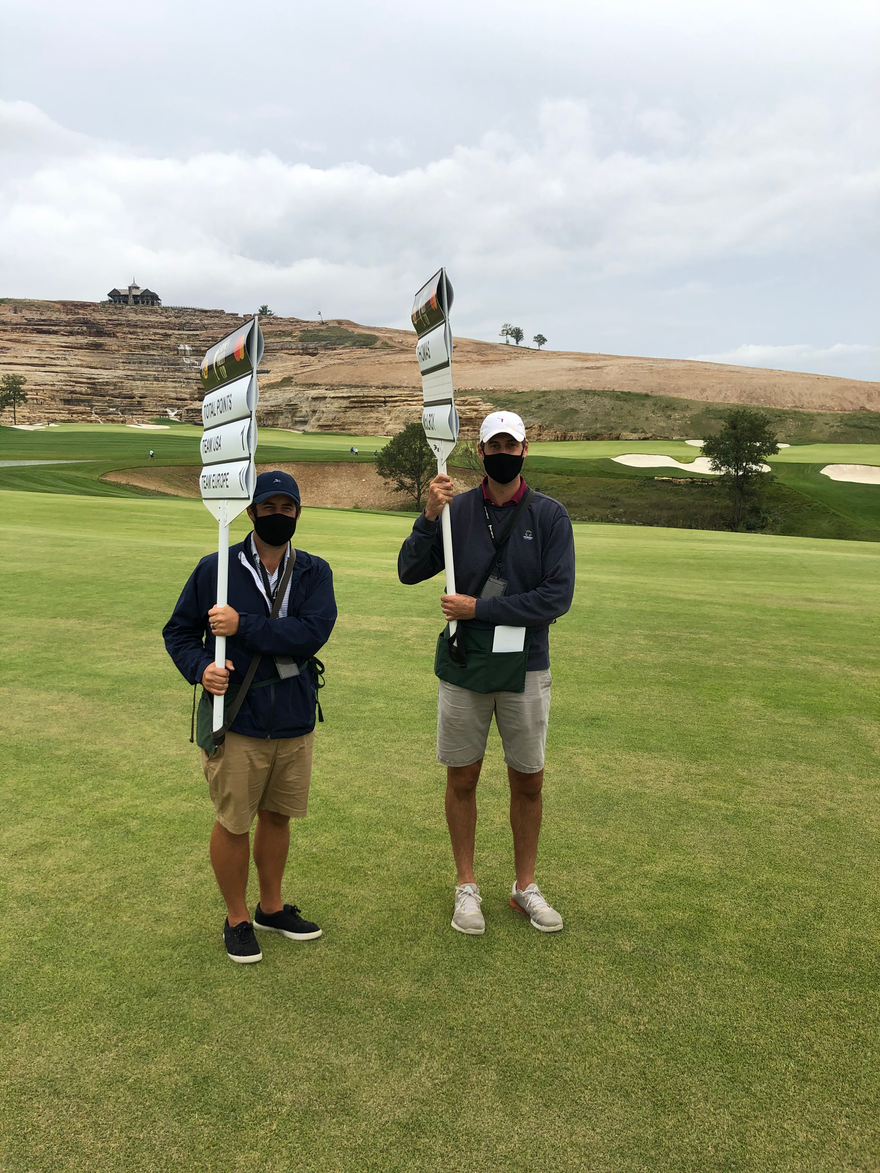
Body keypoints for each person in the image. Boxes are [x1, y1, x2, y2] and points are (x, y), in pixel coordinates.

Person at [398, 412, 575, 936]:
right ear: (480, 452)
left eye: (510, 444)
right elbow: (410, 570)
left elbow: (555, 597)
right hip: (463, 663)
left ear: (525, 450)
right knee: (464, 776)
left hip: (526, 666)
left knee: (528, 779)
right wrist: (428, 515)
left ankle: (525, 886)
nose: (501, 452)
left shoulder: (549, 516)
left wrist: (481, 609)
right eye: (493, 444)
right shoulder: (457, 510)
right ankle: (466, 886)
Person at [163, 470, 337, 964]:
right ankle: (238, 917)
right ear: (250, 510)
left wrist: (246, 626)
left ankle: (272, 906)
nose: (278, 515)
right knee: (234, 820)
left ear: (298, 512)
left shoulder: (314, 572)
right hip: (237, 717)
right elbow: (178, 632)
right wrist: (202, 669)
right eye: (268, 506)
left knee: (278, 816)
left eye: (287, 507)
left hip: (295, 716)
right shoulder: (215, 569)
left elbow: (310, 634)